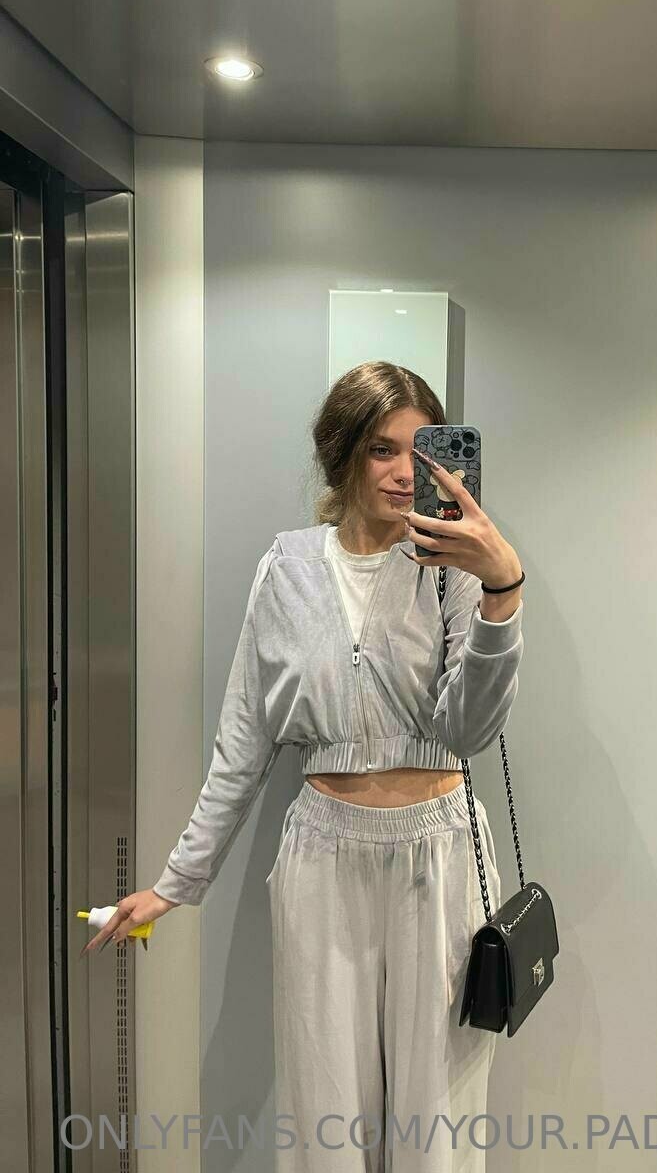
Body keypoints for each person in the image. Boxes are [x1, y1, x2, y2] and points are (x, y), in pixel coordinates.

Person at [83, 361, 526, 1172]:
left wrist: (501, 590)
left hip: (439, 855)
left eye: (421, 451)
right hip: (323, 858)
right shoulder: (285, 569)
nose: (405, 473)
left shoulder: (454, 568)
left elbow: (470, 731)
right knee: (324, 1113)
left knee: (438, 1122)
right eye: (382, 449)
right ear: (343, 452)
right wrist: (175, 884)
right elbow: (242, 747)